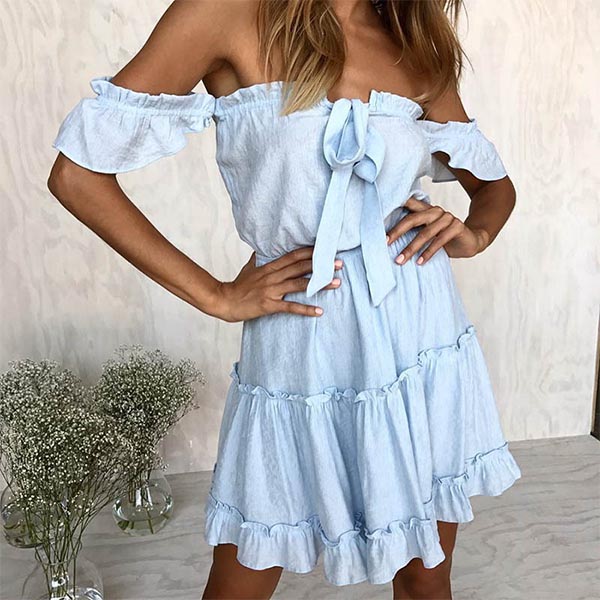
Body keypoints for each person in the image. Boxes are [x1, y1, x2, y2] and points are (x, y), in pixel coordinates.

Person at [47, 0, 522, 598]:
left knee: (425, 578)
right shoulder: (223, 12)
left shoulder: (413, 35)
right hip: (301, 332)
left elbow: (495, 187)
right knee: (242, 576)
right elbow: (76, 176)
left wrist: (474, 234)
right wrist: (216, 295)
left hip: (418, 328)